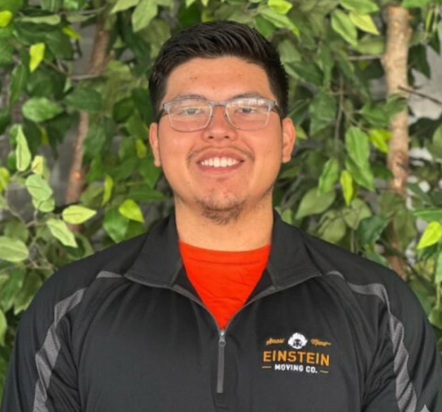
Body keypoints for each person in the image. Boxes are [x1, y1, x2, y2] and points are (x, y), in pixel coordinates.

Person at [1, 21, 441, 412]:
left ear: (286, 140)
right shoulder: (68, 309)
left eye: (247, 108)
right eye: (190, 110)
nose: (218, 130)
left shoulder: (378, 308)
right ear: (156, 144)